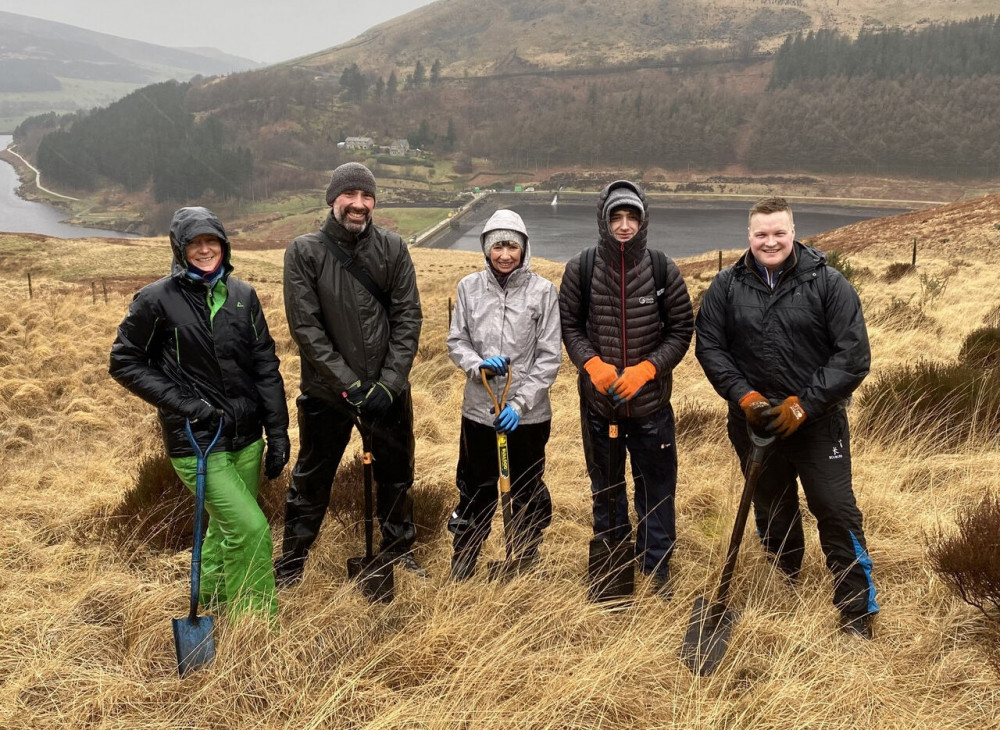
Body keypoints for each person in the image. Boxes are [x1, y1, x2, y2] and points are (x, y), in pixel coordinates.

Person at [695, 196, 878, 639]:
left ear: (794, 233)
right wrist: (745, 398)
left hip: (818, 425)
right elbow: (710, 347)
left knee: (835, 509)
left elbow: (852, 357)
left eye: (779, 232)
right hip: (755, 426)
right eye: (761, 233)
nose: (770, 241)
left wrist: (804, 404)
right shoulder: (726, 285)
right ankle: (785, 582)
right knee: (773, 509)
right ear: (749, 236)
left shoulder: (829, 284)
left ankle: (856, 610)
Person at [109, 206, 289, 621]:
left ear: (224, 247)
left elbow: (265, 365)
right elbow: (124, 361)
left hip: (246, 439)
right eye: (195, 243)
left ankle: (214, 602)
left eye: (213, 242)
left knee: (222, 530)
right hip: (196, 441)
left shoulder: (243, 296)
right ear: (180, 249)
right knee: (251, 530)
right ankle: (256, 628)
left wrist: (277, 433)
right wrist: (188, 405)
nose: (205, 250)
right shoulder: (156, 300)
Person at [276, 162, 424, 585]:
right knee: (312, 478)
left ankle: (400, 553)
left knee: (397, 477)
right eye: (350, 196)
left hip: (386, 393)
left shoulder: (393, 248)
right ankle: (293, 561)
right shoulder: (304, 252)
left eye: (366, 196)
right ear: (333, 199)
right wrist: (351, 385)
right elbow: (306, 328)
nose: (358, 205)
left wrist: (389, 384)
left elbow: (408, 317)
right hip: (327, 393)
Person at [559, 180, 694, 595]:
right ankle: (613, 564)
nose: (623, 225)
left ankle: (656, 570)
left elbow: (681, 329)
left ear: (642, 220)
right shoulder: (581, 268)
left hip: (651, 407)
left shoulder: (661, 268)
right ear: (603, 220)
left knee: (656, 490)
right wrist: (591, 363)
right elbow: (570, 326)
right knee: (607, 488)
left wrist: (647, 369)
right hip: (600, 408)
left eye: (630, 217)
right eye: (615, 217)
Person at [446, 209, 561, 580]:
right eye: (497, 246)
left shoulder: (542, 292)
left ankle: (524, 557)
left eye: (512, 245)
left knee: (525, 488)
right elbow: (456, 340)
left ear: (524, 248)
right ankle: (464, 560)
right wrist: (476, 365)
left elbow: (549, 356)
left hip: (527, 417)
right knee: (476, 487)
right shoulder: (468, 288)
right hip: (479, 411)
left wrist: (519, 402)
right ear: (486, 249)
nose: (505, 254)